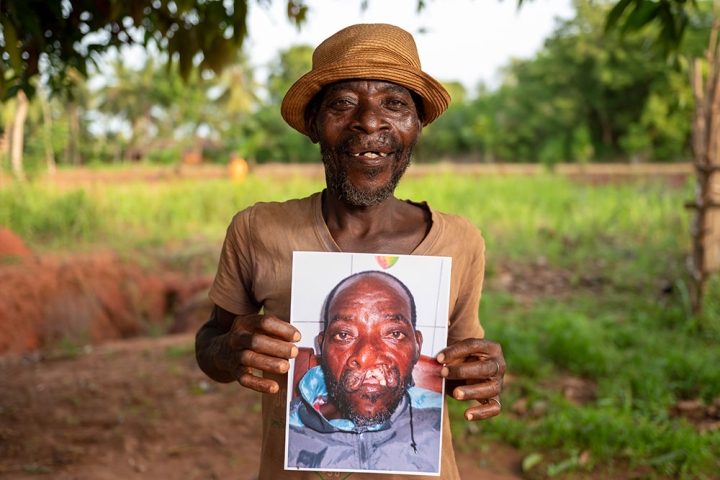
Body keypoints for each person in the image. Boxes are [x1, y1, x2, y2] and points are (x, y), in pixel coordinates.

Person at [195, 23, 506, 480]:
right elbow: (210, 343)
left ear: (416, 125)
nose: (370, 121)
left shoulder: (460, 242)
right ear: (315, 124)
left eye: (395, 104)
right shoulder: (259, 230)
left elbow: (460, 360)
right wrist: (230, 351)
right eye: (343, 103)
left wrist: (481, 374)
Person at [287, 270, 442, 473]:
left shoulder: (438, 419)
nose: (367, 357)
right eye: (344, 335)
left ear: (417, 345)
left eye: (394, 333)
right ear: (322, 346)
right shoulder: (288, 427)